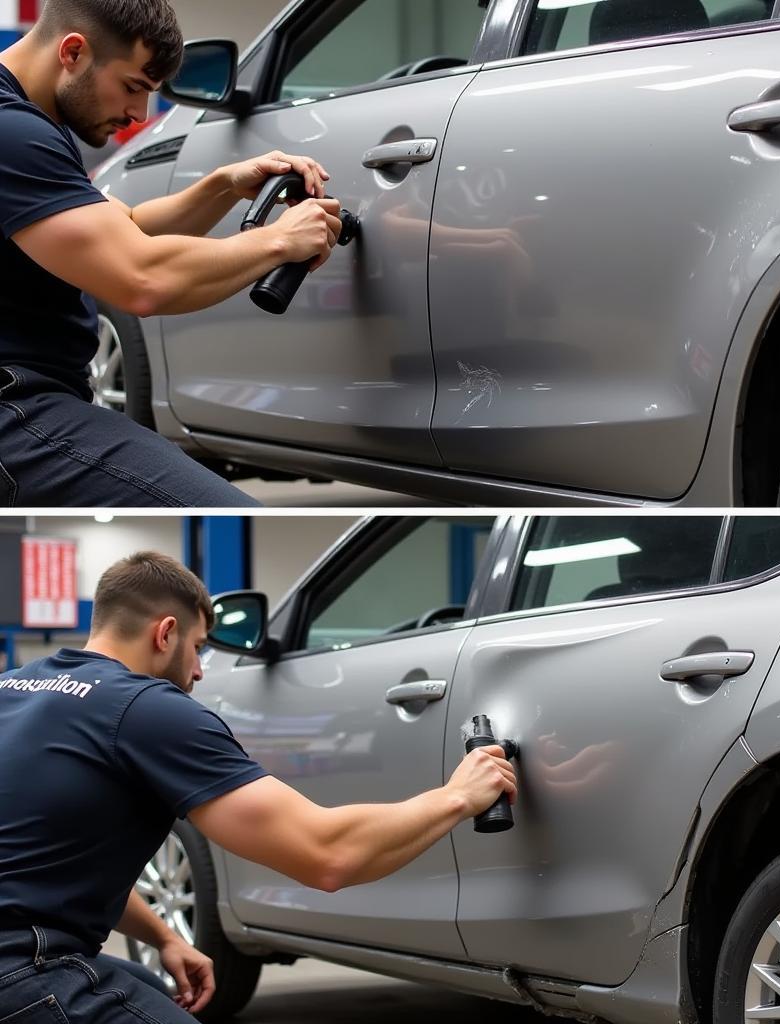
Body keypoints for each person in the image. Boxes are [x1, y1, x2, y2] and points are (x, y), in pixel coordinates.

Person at [0, 552, 517, 1022]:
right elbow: (327, 855)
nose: (200, 671)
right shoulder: (146, 708)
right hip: (23, 969)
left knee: (138, 985)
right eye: (199, 648)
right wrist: (457, 795)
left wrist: (163, 936)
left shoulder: (14, 688)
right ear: (165, 634)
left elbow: (39, 865)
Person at [0, 0, 344, 507]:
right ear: (73, 51)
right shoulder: (14, 132)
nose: (139, 114)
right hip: (17, 409)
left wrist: (224, 185)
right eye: (134, 87)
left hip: (36, 397)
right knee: (229, 510)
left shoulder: (30, 121)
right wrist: (278, 240)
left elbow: (127, 226)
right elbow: (142, 278)